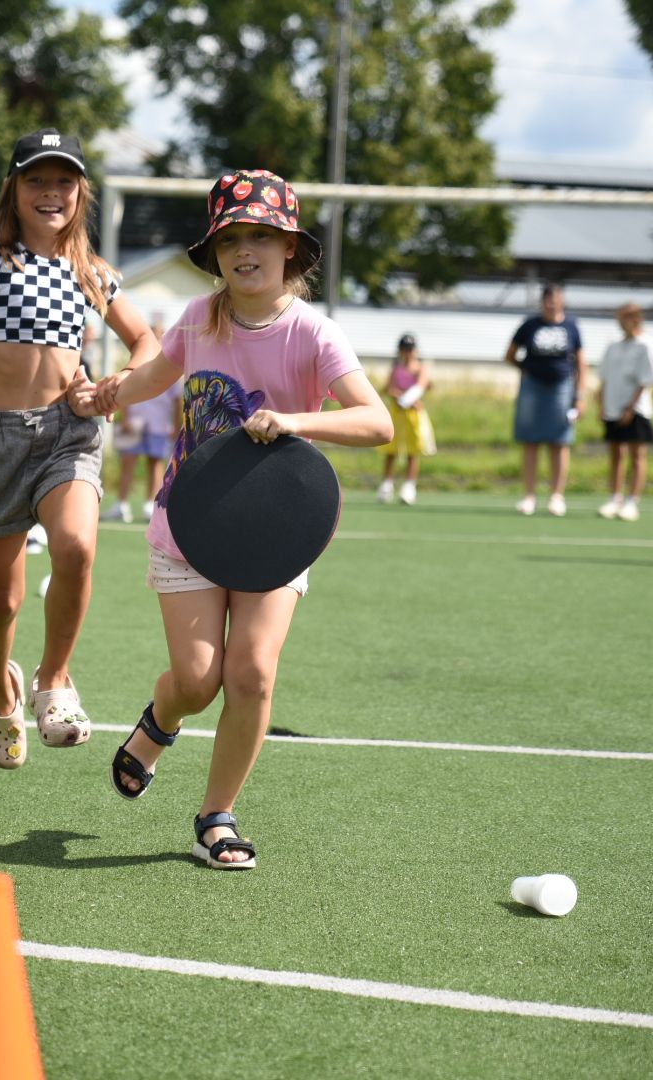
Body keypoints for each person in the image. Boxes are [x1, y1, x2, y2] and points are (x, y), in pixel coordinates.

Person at [94, 169, 393, 869]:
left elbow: (377, 421)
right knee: (198, 680)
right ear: (215, 251)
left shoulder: (314, 334)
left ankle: (216, 817)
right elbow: (148, 380)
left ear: (292, 249)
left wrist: (294, 419)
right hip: (189, 525)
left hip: (276, 531)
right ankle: (160, 721)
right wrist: (98, 395)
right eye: (231, 238)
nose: (245, 250)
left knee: (253, 671)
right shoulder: (199, 318)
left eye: (262, 235)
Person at [0, 128, 160, 769]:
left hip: (68, 432)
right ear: (13, 190)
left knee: (76, 548)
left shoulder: (92, 272)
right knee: (2, 599)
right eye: (36, 180)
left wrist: (115, 388)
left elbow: (148, 345)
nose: (51, 192)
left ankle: (54, 679)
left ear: (80, 193)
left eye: (63, 181)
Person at [504, 283, 585, 516]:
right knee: (530, 440)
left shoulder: (572, 326)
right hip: (533, 387)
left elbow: (581, 362)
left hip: (561, 387)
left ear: (562, 301)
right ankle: (529, 495)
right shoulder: (530, 325)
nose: (552, 303)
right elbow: (510, 354)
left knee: (559, 441)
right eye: (548, 299)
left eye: (556, 299)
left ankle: (556, 496)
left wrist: (579, 396)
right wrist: (525, 369)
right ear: (542, 302)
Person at [102, 318, 182, 524]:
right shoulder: (138, 360)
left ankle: (150, 505)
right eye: (154, 332)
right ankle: (121, 505)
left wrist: (175, 425)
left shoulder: (172, 366)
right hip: (134, 421)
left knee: (155, 463)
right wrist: (125, 416)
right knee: (127, 462)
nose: (158, 337)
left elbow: (176, 401)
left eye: (160, 333)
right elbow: (125, 388)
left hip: (158, 423)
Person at [596, 303, 653, 522]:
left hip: (636, 410)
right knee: (616, 453)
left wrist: (631, 408)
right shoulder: (613, 345)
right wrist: (601, 404)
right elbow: (603, 376)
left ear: (635, 319)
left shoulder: (645, 345)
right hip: (612, 407)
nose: (620, 323)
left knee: (637, 455)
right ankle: (615, 498)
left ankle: (633, 501)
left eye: (624, 318)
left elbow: (646, 379)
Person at [376, 333, 436, 506]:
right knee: (391, 450)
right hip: (397, 412)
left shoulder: (420, 368)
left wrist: (410, 399)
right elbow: (389, 388)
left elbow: (422, 385)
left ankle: (409, 487)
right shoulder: (396, 367)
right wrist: (402, 398)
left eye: (411, 349)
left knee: (412, 451)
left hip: (413, 415)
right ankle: (386, 484)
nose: (408, 353)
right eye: (405, 349)